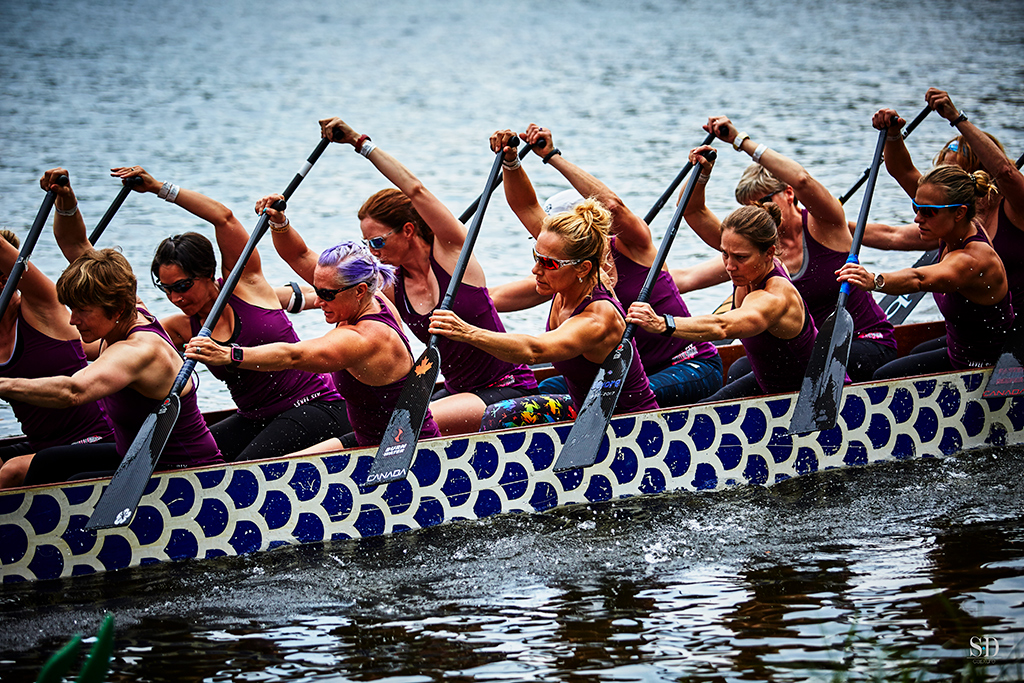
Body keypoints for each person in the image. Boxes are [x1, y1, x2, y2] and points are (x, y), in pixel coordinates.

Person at [315, 117, 538, 435]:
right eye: (367, 244)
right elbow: (336, 286)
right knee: (374, 426)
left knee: (403, 425)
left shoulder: (450, 252)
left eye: (377, 241)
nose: (372, 251)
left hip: (509, 388)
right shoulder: (393, 284)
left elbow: (415, 190)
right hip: (458, 393)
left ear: (407, 230)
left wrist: (359, 143)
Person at [111, 166, 349, 462]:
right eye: (167, 289)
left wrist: (159, 188)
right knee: (192, 459)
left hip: (315, 404)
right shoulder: (180, 328)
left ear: (208, 273)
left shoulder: (246, 284)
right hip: (254, 418)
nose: (176, 298)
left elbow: (223, 217)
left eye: (183, 286)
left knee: (239, 469)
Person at [2, 169, 223, 486]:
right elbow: (75, 242)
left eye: (82, 311)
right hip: (139, 458)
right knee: (49, 462)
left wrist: (3, 385)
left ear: (117, 309)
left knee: (50, 468)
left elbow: (73, 391)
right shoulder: (129, 306)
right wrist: (66, 201)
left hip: (189, 474)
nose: (72, 320)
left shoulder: (138, 351)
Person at [489, 125, 722, 408]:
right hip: (624, 369)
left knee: (594, 397)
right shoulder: (561, 263)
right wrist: (511, 162)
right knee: (541, 390)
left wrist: (551, 155)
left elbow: (613, 206)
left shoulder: (632, 246)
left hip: (686, 364)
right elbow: (525, 206)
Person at [679, 117, 897, 383]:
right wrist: (700, 174)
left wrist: (740, 141)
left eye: (764, 200)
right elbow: (691, 213)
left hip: (865, 342)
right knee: (737, 369)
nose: (759, 210)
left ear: (789, 194)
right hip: (809, 351)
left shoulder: (826, 226)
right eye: (750, 206)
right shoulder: (751, 249)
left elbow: (804, 179)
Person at [187, 238, 441, 450]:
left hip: (401, 449)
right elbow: (300, 255)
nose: (318, 301)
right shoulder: (367, 297)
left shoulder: (364, 338)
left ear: (360, 290)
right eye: (317, 291)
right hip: (373, 439)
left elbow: (293, 356)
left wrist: (231, 354)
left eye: (327, 295)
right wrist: (280, 225)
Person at [428, 197, 658, 425]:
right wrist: (510, 163)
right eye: (536, 256)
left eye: (548, 263)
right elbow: (525, 205)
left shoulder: (598, 319)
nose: (535, 269)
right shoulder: (571, 282)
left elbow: (534, 351)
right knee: (507, 409)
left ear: (583, 268)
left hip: (630, 425)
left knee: (501, 415)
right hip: (586, 412)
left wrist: (467, 332)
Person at [863, 88, 1024, 330]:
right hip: (973, 329)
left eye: (954, 171)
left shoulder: (1015, 210)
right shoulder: (941, 210)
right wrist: (893, 135)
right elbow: (902, 171)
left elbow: (1006, 173)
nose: (946, 178)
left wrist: (956, 118)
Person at [837, 164, 1013, 379]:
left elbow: (919, 278)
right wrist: (893, 134)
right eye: (915, 207)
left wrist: (874, 280)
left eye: (927, 212)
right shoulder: (950, 226)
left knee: (884, 377)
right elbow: (902, 170)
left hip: (990, 369)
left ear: (960, 212)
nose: (918, 218)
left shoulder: (974, 259)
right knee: (913, 353)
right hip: (959, 350)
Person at [627, 204, 817, 401]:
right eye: (725, 253)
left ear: (770, 253)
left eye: (740, 257)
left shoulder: (775, 297)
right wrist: (702, 174)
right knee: (701, 409)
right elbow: (692, 208)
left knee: (701, 421)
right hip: (772, 388)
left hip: (812, 397)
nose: (729, 266)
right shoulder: (749, 268)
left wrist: (661, 323)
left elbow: (723, 327)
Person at [0, 229, 114, 488]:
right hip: (44, 445)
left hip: (96, 438)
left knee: (11, 471)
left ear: (4, 280)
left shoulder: (41, 308)